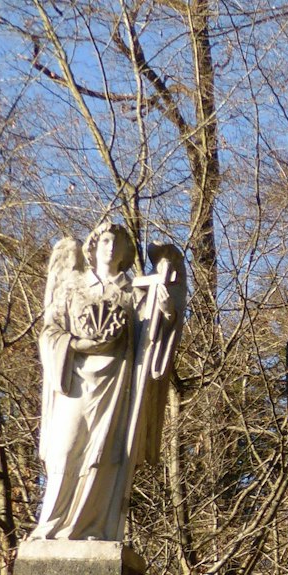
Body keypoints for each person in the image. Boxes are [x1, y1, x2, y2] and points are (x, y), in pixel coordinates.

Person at [30, 221, 186, 542]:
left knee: (103, 455)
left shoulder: (134, 291)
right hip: (75, 380)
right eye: (104, 241)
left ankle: (94, 528)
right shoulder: (73, 285)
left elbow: (156, 331)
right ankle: (50, 527)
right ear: (93, 247)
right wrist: (76, 344)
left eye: (117, 243)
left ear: (126, 252)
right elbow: (50, 329)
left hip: (115, 383)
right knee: (65, 448)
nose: (110, 247)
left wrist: (166, 303)